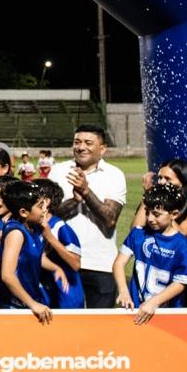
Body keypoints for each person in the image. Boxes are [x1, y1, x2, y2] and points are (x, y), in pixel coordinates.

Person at [48, 125, 127, 309]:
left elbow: (110, 219)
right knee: (62, 325)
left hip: (101, 263)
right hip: (62, 261)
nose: (81, 147)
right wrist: (73, 202)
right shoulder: (58, 171)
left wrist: (85, 191)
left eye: (88, 143)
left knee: (99, 329)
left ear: (103, 149)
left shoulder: (114, 175)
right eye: (77, 142)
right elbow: (46, 215)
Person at [113, 183, 187, 323]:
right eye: (147, 212)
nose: (150, 218)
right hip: (135, 310)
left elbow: (181, 282)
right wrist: (123, 291)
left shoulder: (182, 245)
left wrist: (155, 302)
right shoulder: (138, 234)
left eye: (156, 214)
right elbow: (119, 263)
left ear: (174, 214)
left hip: (166, 316)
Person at [0, 179, 60, 323]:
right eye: (39, 206)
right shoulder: (16, 233)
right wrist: (32, 304)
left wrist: (56, 268)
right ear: (24, 212)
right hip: (14, 307)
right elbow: (7, 275)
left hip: (28, 302)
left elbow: (34, 256)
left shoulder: (34, 227)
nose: (44, 209)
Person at [34, 178, 83, 309]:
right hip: (43, 297)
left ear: (45, 202)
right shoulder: (31, 226)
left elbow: (76, 263)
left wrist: (50, 238)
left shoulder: (60, 228)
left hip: (66, 299)